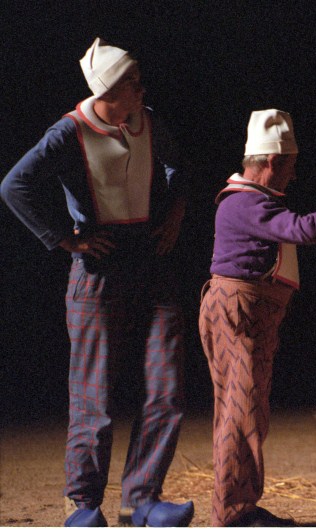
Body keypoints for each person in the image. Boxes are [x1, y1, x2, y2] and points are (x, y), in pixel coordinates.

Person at [0, 38, 194, 527]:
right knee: (95, 396)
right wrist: (65, 239)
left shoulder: (148, 121)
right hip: (99, 269)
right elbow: (14, 185)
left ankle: (142, 499)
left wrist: (175, 211)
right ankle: (82, 502)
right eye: (132, 82)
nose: (141, 88)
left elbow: (177, 167)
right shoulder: (70, 131)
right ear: (108, 90)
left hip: (150, 262)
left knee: (166, 387)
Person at [198, 109, 316, 527]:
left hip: (246, 312)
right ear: (272, 161)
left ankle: (241, 507)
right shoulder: (244, 201)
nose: (294, 175)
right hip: (239, 311)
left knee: (246, 411)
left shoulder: (252, 200)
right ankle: (233, 515)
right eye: (290, 166)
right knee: (240, 413)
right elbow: (302, 230)